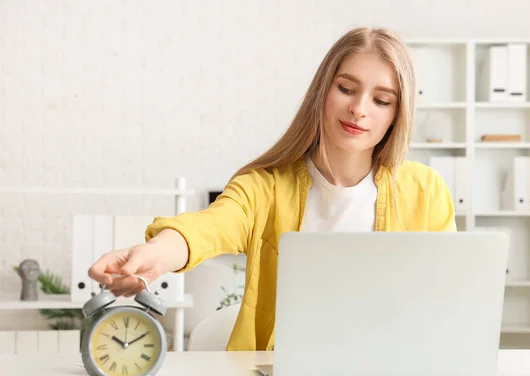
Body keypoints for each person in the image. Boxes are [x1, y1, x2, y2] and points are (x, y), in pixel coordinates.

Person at [88, 26, 457, 351]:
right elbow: (211, 226)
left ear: (397, 114)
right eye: (346, 88)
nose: (359, 109)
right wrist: (156, 253)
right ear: (322, 92)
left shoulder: (426, 191)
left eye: (381, 100)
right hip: (281, 372)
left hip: (388, 369)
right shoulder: (264, 186)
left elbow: (446, 297)